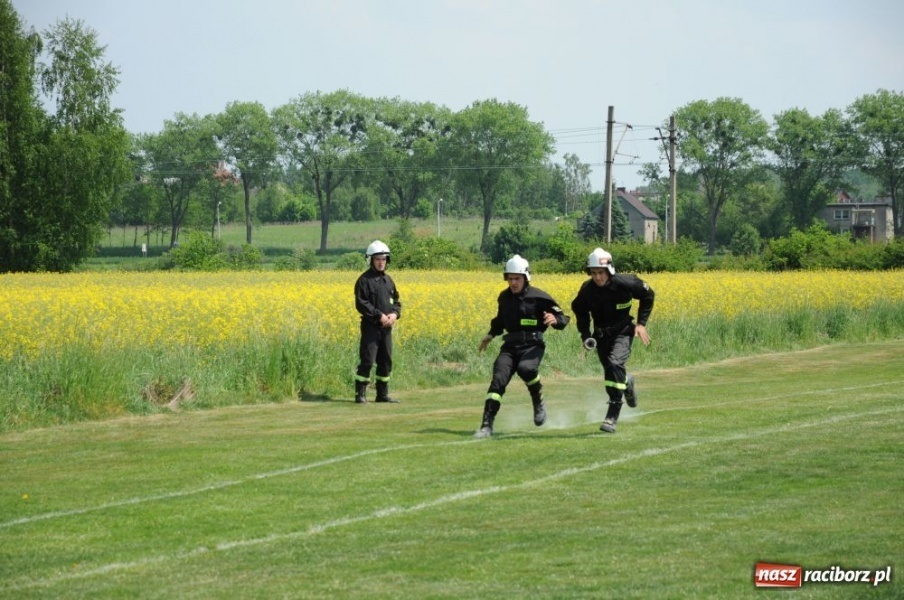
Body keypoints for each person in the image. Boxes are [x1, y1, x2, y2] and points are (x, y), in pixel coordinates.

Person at [475, 255, 570, 437]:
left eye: (517, 278)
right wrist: (490, 334)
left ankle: (538, 399)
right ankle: (486, 425)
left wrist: (555, 320)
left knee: (526, 369)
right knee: (498, 381)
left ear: (526, 278)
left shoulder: (539, 297)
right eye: (510, 279)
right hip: (510, 346)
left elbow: (563, 318)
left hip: (533, 344)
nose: (513, 283)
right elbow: (500, 319)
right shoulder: (504, 297)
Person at [570, 248, 654, 433]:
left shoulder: (626, 283)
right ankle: (627, 382)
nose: (598, 277)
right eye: (594, 273)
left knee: (615, 364)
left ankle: (612, 416)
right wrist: (585, 336)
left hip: (624, 331)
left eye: (601, 273)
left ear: (609, 270)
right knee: (611, 371)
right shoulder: (587, 290)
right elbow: (580, 311)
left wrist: (641, 324)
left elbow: (648, 295)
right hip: (601, 336)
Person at [353, 240, 402, 404]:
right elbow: (361, 303)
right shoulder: (363, 281)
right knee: (367, 360)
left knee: (386, 361)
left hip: (386, 329)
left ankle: (382, 395)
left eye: (384, 259)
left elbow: (397, 301)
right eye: (378, 259)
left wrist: (394, 314)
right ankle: (360, 394)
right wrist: (378, 315)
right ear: (371, 260)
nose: (381, 262)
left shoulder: (389, 280)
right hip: (371, 328)